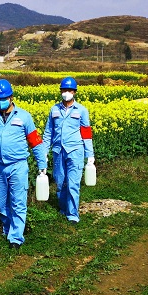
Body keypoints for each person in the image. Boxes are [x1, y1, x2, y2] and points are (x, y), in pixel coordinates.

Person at [0, 79, 47, 250]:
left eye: (4, 98)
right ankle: (7, 228)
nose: (0, 101)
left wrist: (42, 164)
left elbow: (35, 141)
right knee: (0, 202)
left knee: (18, 201)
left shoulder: (24, 116)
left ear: (12, 97)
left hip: (18, 165)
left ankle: (16, 237)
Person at [42, 77, 94, 224]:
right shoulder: (54, 109)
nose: (66, 93)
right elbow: (48, 132)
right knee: (60, 182)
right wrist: (43, 152)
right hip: (58, 151)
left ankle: (72, 214)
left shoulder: (82, 110)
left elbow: (86, 133)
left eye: (69, 90)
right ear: (60, 91)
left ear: (74, 92)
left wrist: (90, 154)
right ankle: (63, 208)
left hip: (75, 151)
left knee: (72, 183)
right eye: (64, 90)